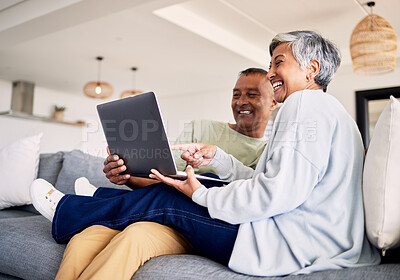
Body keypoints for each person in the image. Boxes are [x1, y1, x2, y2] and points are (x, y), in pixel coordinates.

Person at [31, 31, 380, 277]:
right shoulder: (329, 113)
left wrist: (199, 193)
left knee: (173, 198)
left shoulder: (305, 105)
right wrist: (216, 161)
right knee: (180, 186)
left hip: (288, 242)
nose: (272, 73)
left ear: (312, 69)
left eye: (279, 63)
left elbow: (274, 194)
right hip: (301, 236)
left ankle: (70, 209)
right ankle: (97, 200)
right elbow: (269, 183)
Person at [54, 67, 278, 280]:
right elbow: (163, 184)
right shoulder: (201, 127)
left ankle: (85, 203)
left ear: (274, 102)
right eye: (236, 94)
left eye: (252, 94)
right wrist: (127, 175)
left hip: (195, 226)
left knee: (135, 236)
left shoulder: (267, 154)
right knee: (85, 238)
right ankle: (93, 203)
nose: (241, 102)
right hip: (158, 209)